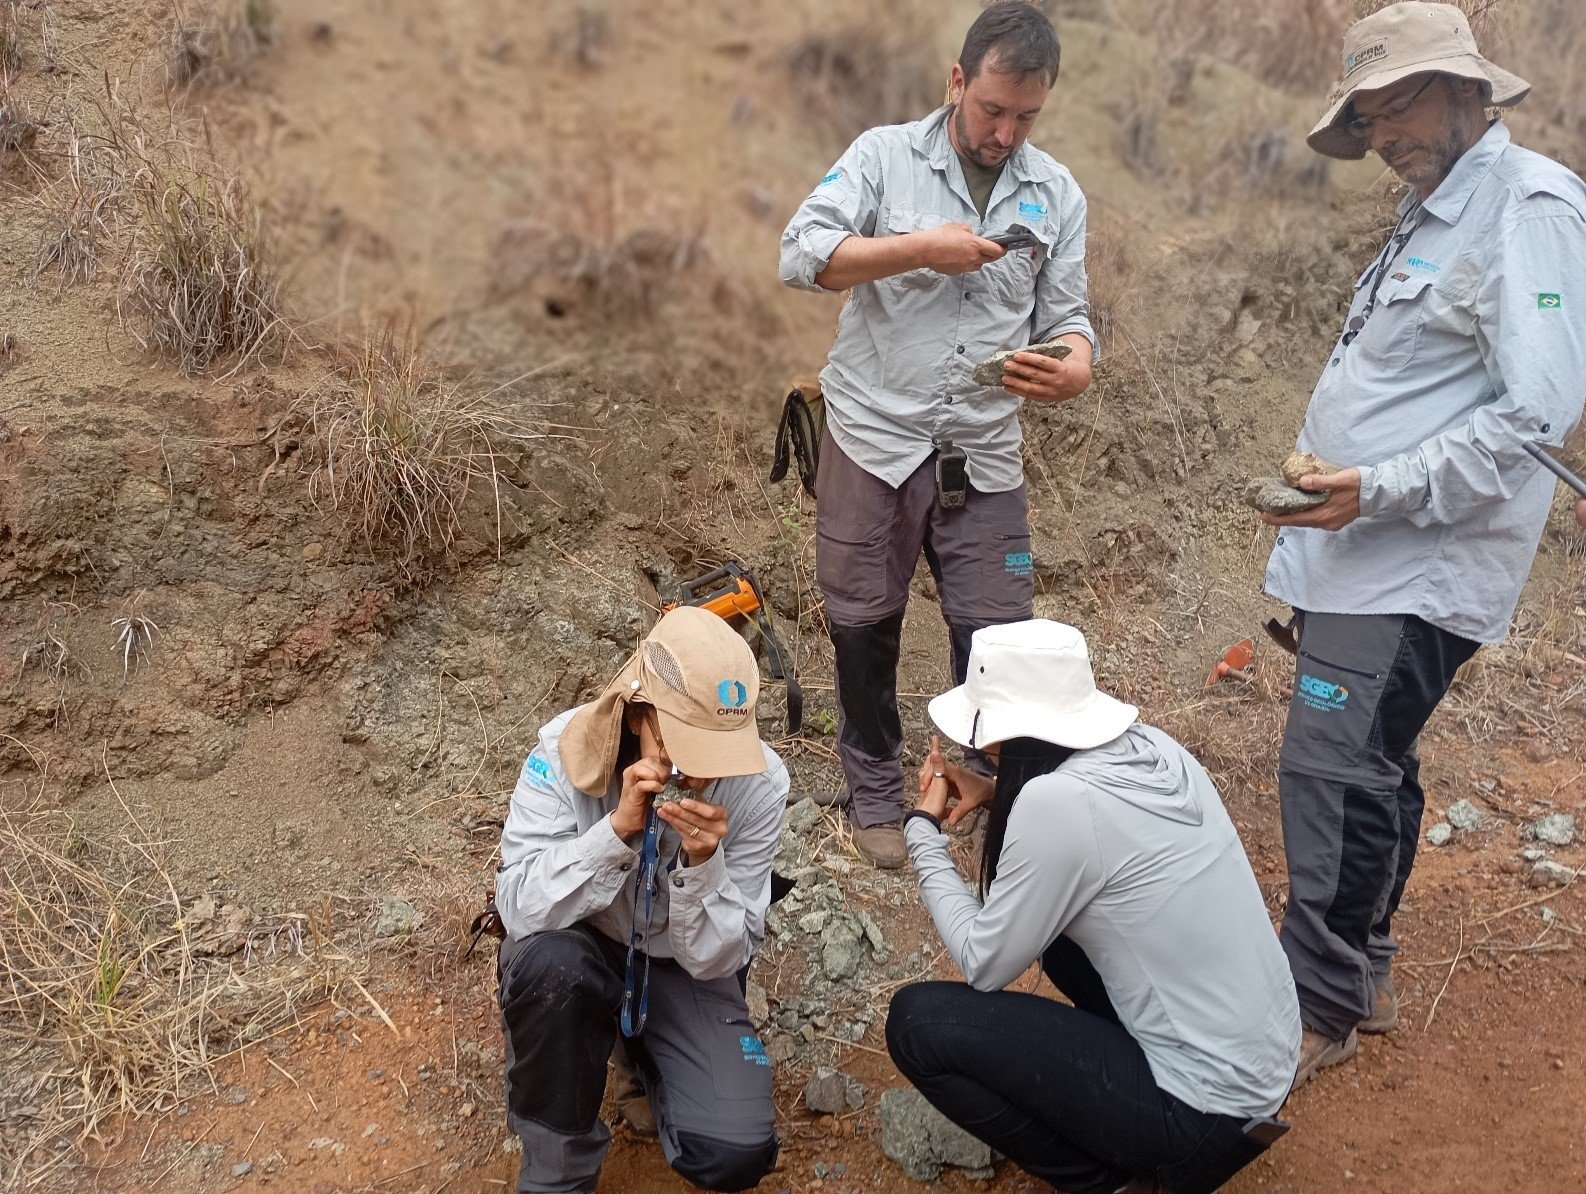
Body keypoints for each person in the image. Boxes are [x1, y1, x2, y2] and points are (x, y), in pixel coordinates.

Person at [1255, 1, 1586, 1088]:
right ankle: (1364, 972)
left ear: (1466, 89)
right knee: (1371, 764)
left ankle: (1317, 1007)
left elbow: (1536, 415)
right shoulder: (1433, 207)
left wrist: (1379, 487)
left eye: (1397, 104)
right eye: (1366, 115)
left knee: (1330, 770)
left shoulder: (1528, 208)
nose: (1381, 133)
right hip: (1359, 549)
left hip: (1414, 558)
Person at [778, 1, 1097, 868]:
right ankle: (876, 790)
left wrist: (1073, 366)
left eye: (1026, 116)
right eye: (992, 109)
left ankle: (985, 782)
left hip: (983, 451)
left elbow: (1069, 318)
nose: (1005, 133)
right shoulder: (882, 157)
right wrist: (919, 248)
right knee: (863, 624)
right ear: (958, 80)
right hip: (872, 437)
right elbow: (801, 253)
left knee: (999, 637)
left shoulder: (1055, 192)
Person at [886, 620, 1300, 1194]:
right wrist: (998, 792)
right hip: (1264, 1071)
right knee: (1055, 936)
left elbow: (983, 962)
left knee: (917, 1025)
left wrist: (922, 827)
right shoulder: (1154, 747)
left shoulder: (1057, 803)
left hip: (1200, 1116)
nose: (979, 750)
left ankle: (1109, 1184)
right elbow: (1091, 832)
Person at [493, 606, 788, 1193]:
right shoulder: (560, 749)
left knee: (734, 1150)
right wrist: (614, 834)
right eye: (682, 746)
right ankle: (556, 1174)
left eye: (718, 752)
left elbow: (723, 957)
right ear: (637, 714)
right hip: (583, 944)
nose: (698, 774)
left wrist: (704, 867)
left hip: (683, 964)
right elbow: (519, 905)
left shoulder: (762, 784)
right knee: (553, 971)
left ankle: (641, 1054)